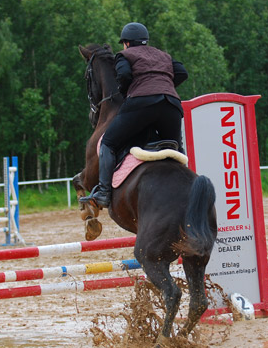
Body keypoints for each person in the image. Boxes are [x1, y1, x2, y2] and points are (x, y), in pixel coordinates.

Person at [81, 22, 188, 208]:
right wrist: (165, 87)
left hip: (142, 104)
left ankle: (104, 193)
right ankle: (187, 189)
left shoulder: (124, 55)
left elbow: (123, 75)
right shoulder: (162, 55)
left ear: (126, 43)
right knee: (176, 150)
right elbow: (182, 72)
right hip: (171, 106)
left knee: (108, 143)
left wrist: (127, 92)